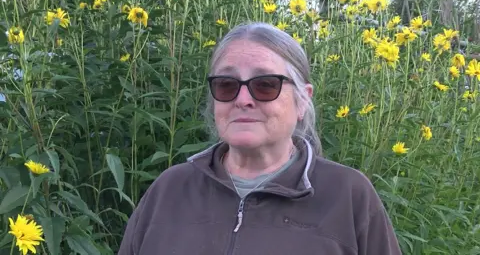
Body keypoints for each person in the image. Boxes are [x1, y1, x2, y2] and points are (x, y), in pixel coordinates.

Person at [118, 22, 402, 255]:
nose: (243, 100)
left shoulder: (348, 197)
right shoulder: (169, 190)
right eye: (226, 85)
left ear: (303, 100)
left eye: (265, 85)